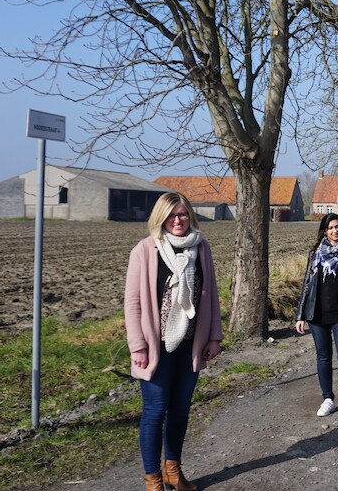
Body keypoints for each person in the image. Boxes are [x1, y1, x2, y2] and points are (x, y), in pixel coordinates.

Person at [124, 192, 222, 491]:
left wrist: (214, 336)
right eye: (171, 215)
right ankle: (153, 479)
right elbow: (132, 303)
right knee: (155, 411)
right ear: (161, 218)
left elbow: (211, 295)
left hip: (190, 345)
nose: (177, 220)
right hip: (156, 347)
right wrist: (138, 345)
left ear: (189, 216)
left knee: (180, 410)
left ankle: (173, 471)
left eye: (182, 214)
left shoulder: (201, 247)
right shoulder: (145, 250)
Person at [295, 212, 338, 425]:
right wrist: (300, 315)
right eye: (331, 228)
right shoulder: (315, 253)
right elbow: (307, 285)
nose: (335, 231)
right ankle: (328, 398)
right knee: (323, 357)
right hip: (317, 314)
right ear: (325, 231)